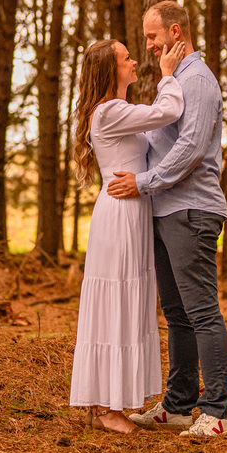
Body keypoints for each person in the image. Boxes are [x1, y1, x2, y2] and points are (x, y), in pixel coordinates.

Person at [108, 1, 227, 438]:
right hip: (166, 210)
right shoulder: (174, 83)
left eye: (151, 37)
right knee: (177, 313)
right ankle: (179, 404)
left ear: (175, 32)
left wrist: (143, 182)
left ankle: (216, 412)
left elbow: (192, 148)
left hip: (191, 209)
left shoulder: (197, 80)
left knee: (201, 311)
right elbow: (160, 137)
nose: (148, 46)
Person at [68, 38, 187, 433]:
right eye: (126, 58)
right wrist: (168, 75)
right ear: (110, 70)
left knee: (129, 303)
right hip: (118, 216)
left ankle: (115, 402)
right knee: (115, 305)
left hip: (133, 210)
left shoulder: (115, 111)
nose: (135, 61)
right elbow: (168, 110)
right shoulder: (109, 111)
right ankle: (105, 409)